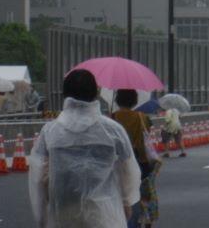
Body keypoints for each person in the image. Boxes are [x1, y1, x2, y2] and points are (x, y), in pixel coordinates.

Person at [29, 69, 140, 227]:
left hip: (63, 213)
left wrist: (42, 217)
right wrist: (126, 201)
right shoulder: (113, 130)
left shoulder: (50, 132)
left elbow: (38, 175)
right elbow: (129, 170)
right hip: (104, 214)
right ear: (95, 94)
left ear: (65, 95)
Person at [112, 90, 161, 228]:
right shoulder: (141, 117)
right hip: (140, 161)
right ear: (134, 101)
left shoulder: (113, 117)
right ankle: (142, 221)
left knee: (120, 195)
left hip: (117, 162)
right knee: (140, 195)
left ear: (117, 100)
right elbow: (147, 135)